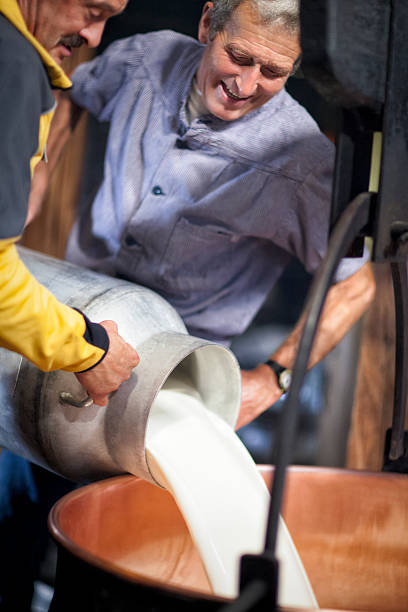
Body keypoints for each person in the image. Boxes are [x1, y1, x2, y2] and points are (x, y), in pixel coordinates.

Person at [41, 0, 375, 429]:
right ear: (206, 24)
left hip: (170, 380)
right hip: (68, 318)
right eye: (238, 57)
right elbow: (74, 94)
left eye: (272, 72)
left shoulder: (303, 164)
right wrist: (39, 181)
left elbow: (356, 286)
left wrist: (273, 379)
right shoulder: (145, 57)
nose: (246, 83)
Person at [0, 0, 139, 608]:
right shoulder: (12, 62)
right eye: (91, 7)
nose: (94, 35)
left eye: (111, 16)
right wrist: (88, 349)